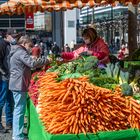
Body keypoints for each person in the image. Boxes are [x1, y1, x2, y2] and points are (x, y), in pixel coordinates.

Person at [9, 35, 51, 140]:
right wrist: (46, 60)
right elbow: (32, 63)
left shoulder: (16, 51)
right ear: (23, 44)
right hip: (19, 84)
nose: (31, 48)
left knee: (18, 108)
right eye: (29, 45)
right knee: (19, 109)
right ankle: (17, 135)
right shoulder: (21, 52)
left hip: (17, 83)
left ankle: (17, 133)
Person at [0, 29, 18, 133]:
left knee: (9, 101)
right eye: (13, 36)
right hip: (4, 78)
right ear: (7, 35)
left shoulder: (9, 44)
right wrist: (4, 73)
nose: (15, 38)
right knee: (2, 100)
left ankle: (9, 122)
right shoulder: (2, 44)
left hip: (10, 77)